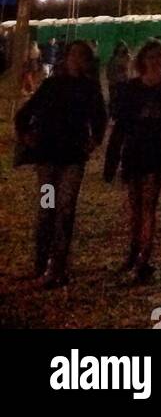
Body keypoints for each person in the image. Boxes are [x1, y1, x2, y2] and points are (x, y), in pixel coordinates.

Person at [13, 39, 107, 288]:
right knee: (46, 211)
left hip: (72, 159)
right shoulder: (51, 85)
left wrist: (94, 140)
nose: (76, 59)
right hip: (47, 159)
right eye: (73, 54)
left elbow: (100, 117)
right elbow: (25, 113)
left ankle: (59, 266)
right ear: (66, 58)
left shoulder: (89, 88)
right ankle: (41, 262)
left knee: (65, 210)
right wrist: (26, 135)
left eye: (81, 55)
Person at [103, 39, 161, 284]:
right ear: (143, 61)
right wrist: (112, 158)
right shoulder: (131, 88)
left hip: (157, 151)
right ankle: (133, 250)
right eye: (153, 57)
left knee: (148, 206)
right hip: (135, 150)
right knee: (135, 206)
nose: (158, 61)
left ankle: (143, 259)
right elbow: (121, 125)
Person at [105, 41, 132, 121]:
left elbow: (128, 68)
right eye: (120, 46)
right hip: (114, 81)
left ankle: (119, 116)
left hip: (123, 80)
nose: (121, 48)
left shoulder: (127, 57)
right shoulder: (113, 58)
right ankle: (111, 115)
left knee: (121, 98)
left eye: (123, 46)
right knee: (113, 99)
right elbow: (109, 69)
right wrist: (110, 78)